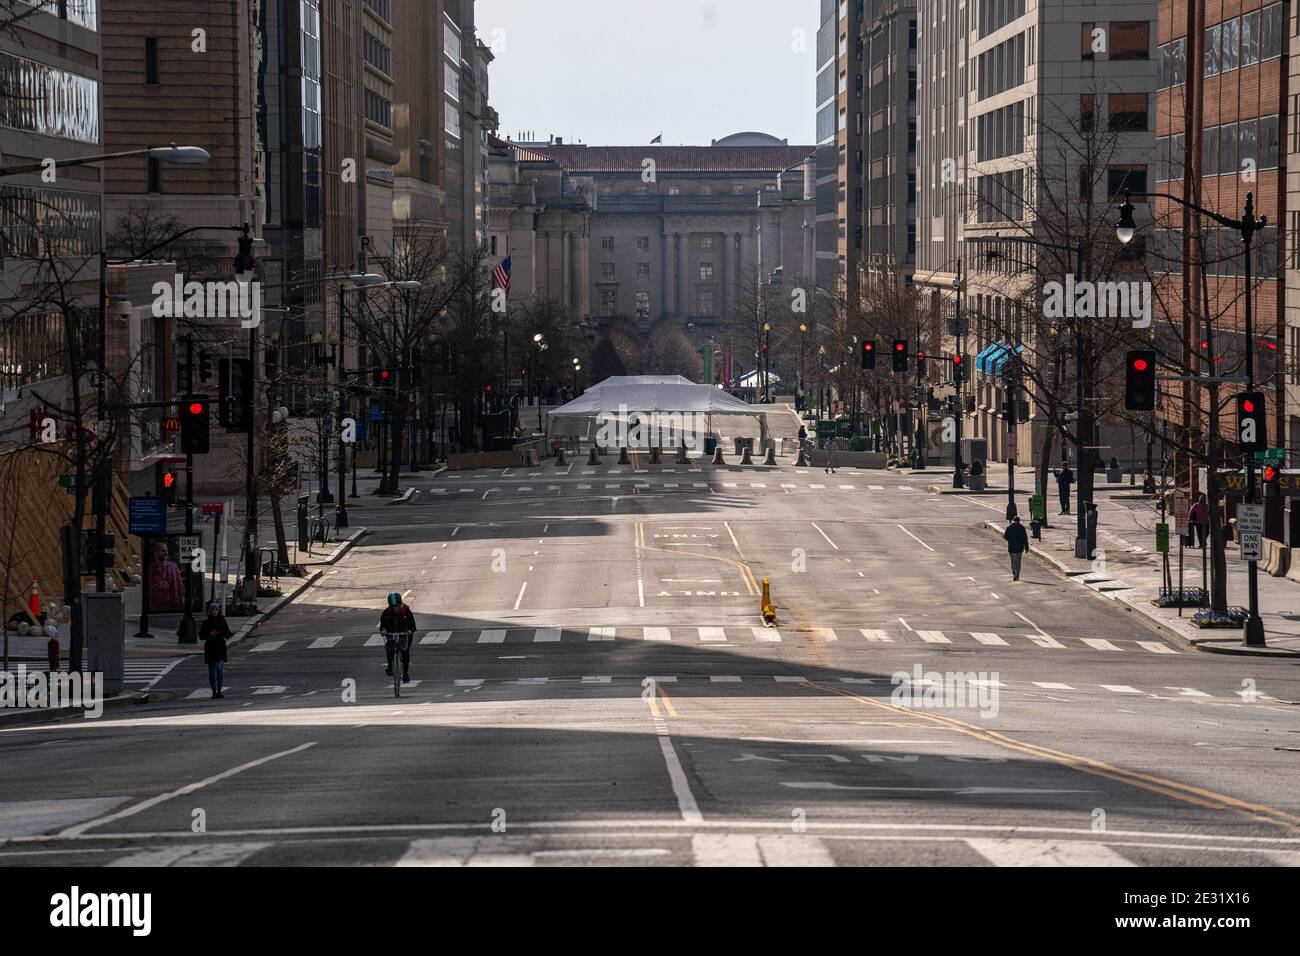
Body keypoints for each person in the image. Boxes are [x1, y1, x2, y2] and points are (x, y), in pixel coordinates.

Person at [380, 591, 417, 683]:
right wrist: (383, 631)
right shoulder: (386, 613)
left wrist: (409, 631)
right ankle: (390, 667)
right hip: (391, 634)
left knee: (405, 652)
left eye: (397, 606)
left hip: (404, 634)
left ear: (400, 604)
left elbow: (412, 625)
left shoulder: (406, 610)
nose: (395, 609)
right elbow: (382, 626)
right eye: (393, 607)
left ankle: (405, 674)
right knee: (389, 649)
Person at [200, 602, 231, 699]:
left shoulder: (222, 621)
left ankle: (219, 690)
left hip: (220, 647)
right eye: (213, 610)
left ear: (219, 611)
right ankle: (214, 691)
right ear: (210, 611)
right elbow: (201, 636)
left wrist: (220, 632)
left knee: (220, 669)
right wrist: (210, 634)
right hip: (210, 647)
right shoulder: (206, 622)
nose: (214, 611)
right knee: (212, 671)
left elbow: (228, 634)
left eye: (216, 609)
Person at [1003, 514, 1029, 581]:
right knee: (1018, 561)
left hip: (1011, 547)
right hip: (1019, 548)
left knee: (1013, 561)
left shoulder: (1009, 527)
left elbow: (1005, 536)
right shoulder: (1022, 528)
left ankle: (1014, 572)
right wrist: (1026, 547)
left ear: (1013, 520)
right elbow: (1025, 538)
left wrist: (1010, 540)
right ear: (1019, 521)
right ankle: (1017, 574)